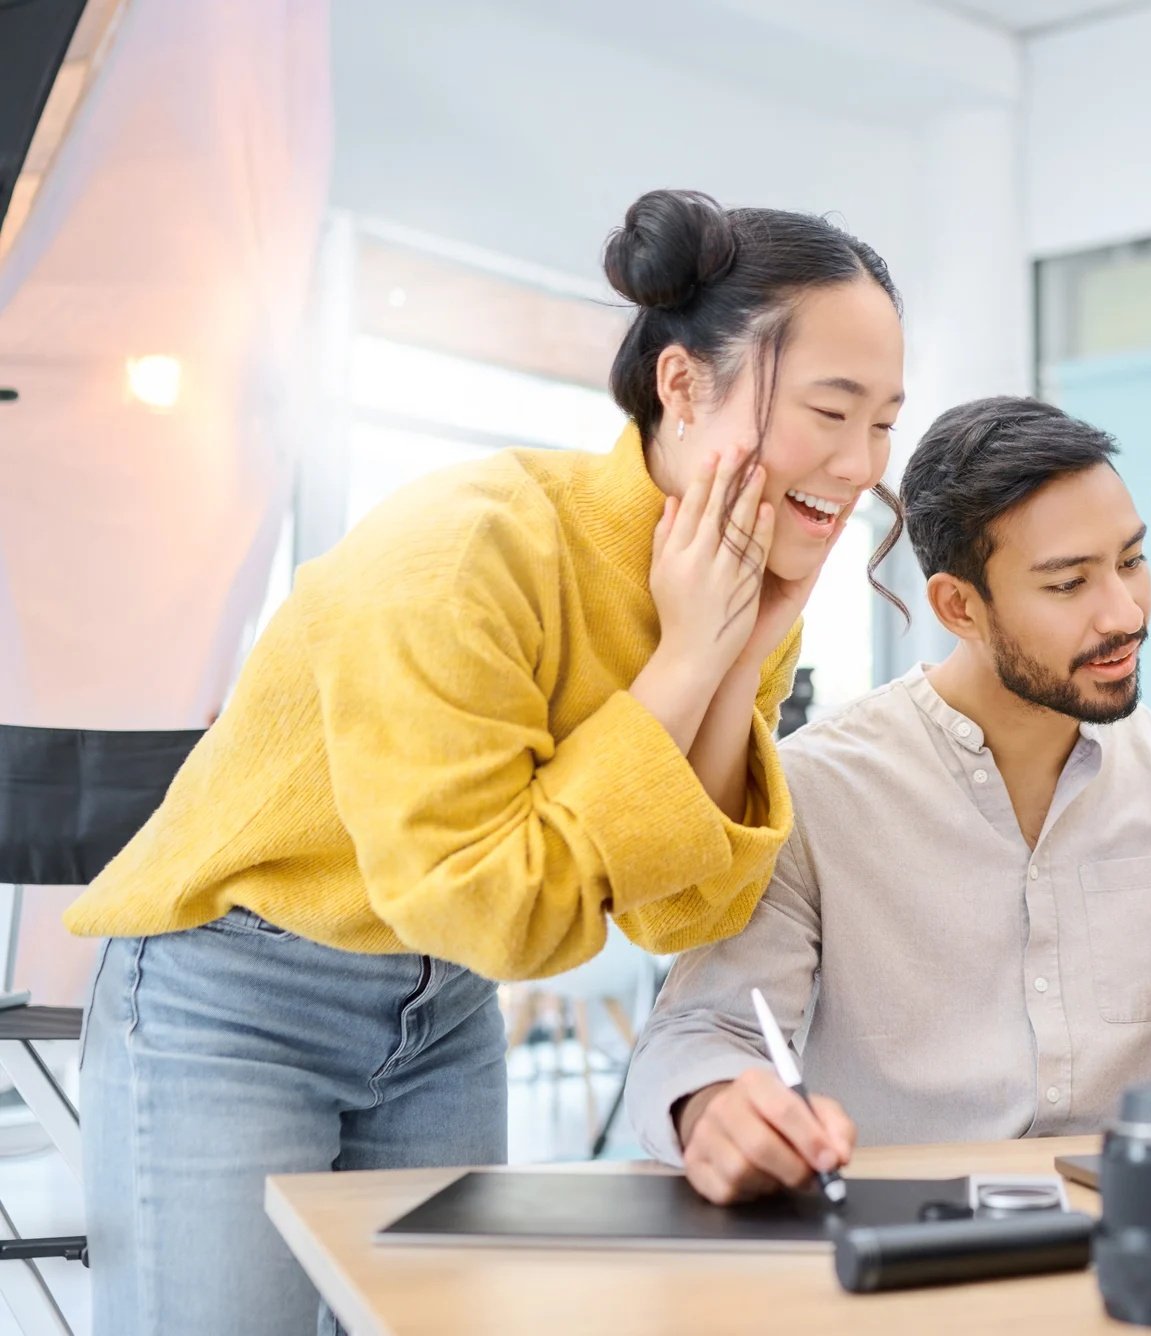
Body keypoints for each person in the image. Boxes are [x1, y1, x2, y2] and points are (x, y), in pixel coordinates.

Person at [63, 190, 906, 1333]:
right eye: (830, 410)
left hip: (444, 1005)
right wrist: (686, 664)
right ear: (681, 382)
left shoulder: (737, 585)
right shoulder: (466, 547)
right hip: (236, 995)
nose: (860, 466)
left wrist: (739, 648)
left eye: (885, 423)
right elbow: (486, 902)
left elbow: (687, 911)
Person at [625, 396, 1151, 1205]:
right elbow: (702, 1032)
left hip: (1123, 1235)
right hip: (898, 1241)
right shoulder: (817, 792)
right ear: (958, 607)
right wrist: (717, 1108)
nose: (1125, 612)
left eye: (1132, 561)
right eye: (1070, 583)